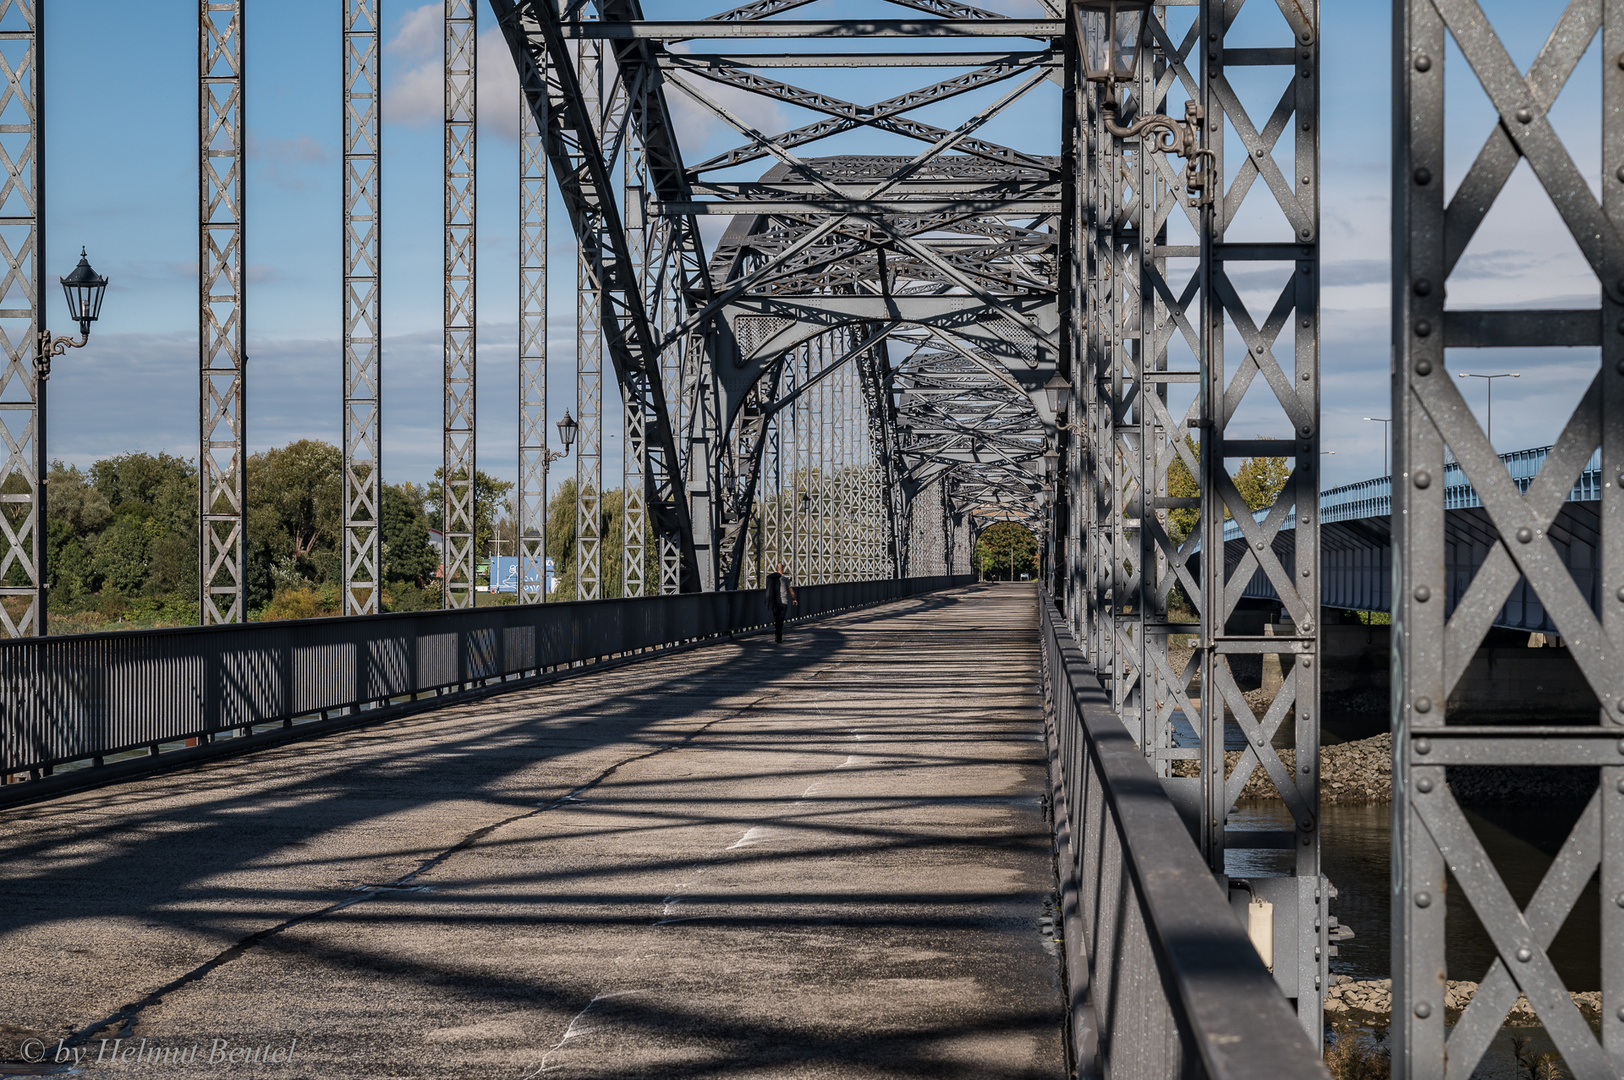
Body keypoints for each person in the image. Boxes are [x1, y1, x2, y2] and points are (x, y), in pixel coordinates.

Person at [764, 562, 797, 643]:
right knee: (781, 619)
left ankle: (777, 633)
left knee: (776, 619)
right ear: (783, 569)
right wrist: (794, 599)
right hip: (783, 602)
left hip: (774, 601)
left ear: (776, 569)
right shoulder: (785, 579)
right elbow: (791, 591)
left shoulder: (771, 578)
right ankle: (779, 634)